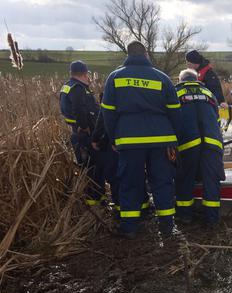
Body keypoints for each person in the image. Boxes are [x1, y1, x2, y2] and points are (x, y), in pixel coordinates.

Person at [101, 41, 183, 238]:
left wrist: (114, 138)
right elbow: (175, 112)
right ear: (146, 54)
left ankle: (129, 227)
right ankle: (166, 226)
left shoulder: (114, 77)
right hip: (161, 138)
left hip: (128, 139)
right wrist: (174, 139)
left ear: (127, 54)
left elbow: (107, 113)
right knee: (162, 181)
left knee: (130, 182)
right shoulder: (161, 78)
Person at [174, 69, 225, 225]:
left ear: (180, 79)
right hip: (212, 142)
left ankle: (185, 216)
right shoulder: (208, 92)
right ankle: (212, 219)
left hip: (188, 143)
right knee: (211, 180)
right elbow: (216, 119)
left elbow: (172, 119)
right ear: (197, 79)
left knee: (185, 179)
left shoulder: (176, 92)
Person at [59, 60, 111, 206]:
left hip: (77, 132)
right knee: (93, 167)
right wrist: (84, 126)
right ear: (84, 73)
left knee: (89, 167)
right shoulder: (78, 88)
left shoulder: (67, 86)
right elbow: (79, 108)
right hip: (84, 134)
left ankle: (98, 199)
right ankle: (94, 201)